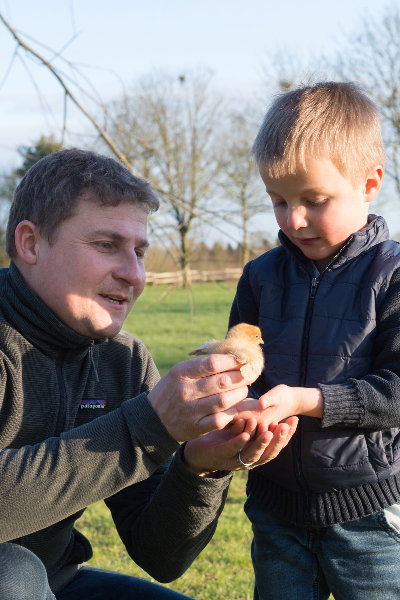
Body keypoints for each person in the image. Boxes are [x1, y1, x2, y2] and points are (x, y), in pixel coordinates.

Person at [0, 148, 297, 600]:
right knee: (14, 572)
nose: (133, 274)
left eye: (139, 251)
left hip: (53, 582)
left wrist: (199, 466)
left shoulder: (123, 360)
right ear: (30, 243)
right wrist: (147, 427)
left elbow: (160, 555)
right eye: (106, 245)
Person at [228, 82, 400, 600]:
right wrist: (238, 401)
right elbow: (242, 364)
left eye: (314, 200)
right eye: (278, 200)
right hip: (275, 508)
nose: (294, 219)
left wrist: (308, 401)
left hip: (367, 514)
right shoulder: (260, 276)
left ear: (369, 183)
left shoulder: (392, 275)